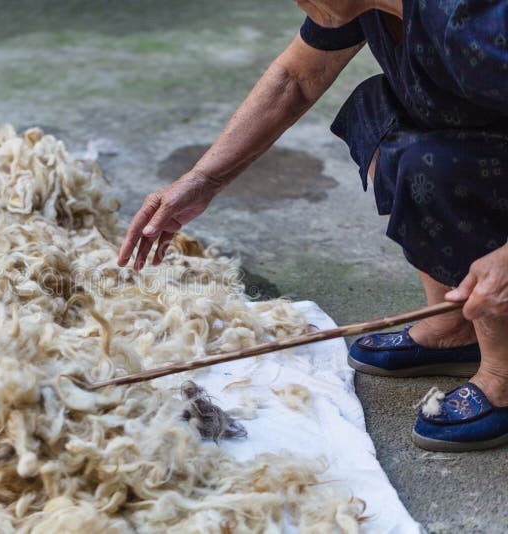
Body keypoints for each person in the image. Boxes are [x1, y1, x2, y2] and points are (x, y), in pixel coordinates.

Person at [117, 0, 508, 452]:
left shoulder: (475, 20)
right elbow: (296, 78)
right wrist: (203, 179)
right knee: (379, 110)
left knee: (434, 163)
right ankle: (453, 326)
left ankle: (503, 371)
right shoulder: (369, 5)